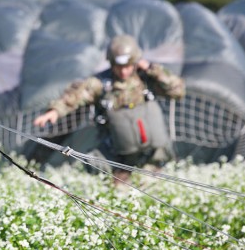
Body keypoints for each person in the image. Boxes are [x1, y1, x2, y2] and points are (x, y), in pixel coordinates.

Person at [33, 34, 185, 186]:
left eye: (127, 66)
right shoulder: (102, 83)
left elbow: (178, 91)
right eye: (119, 67)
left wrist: (153, 69)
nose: (123, 72)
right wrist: (55, 111)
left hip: (151, 157)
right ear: (111, 63)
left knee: (156, 193)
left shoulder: (146, 79)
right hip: (119, 159)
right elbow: (76, 95)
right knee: (118, 195)